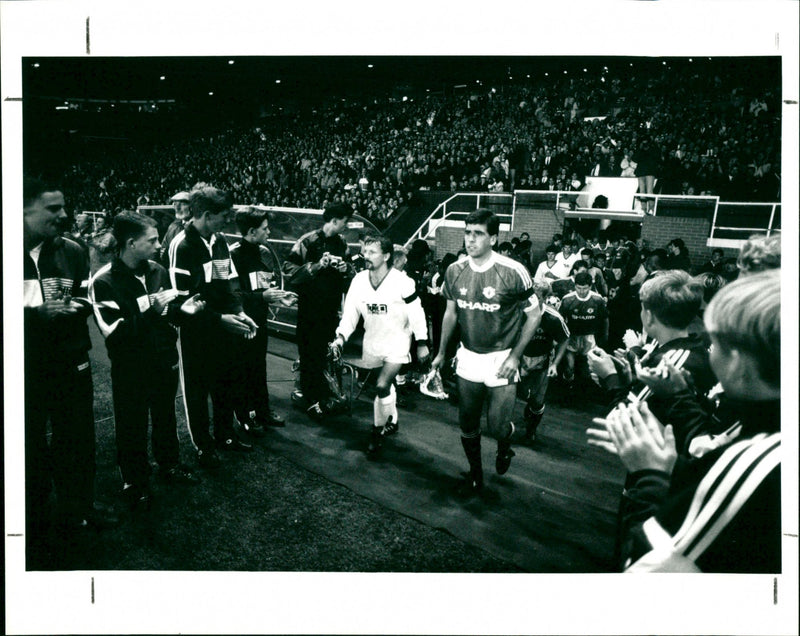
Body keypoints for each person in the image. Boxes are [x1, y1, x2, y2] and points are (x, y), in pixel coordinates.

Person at [588, 270, 780, 572]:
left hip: (661, 491)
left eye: (717, 340)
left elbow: (651, 566)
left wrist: (611, 379)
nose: (709, 348)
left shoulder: (756, 458)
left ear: (739, 359)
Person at [23, 177, 117, 566]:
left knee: (77, 438)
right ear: (23, 210)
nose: (63, 215)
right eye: (53, 209)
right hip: (25, 367)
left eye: (64, 207)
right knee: (28, 445)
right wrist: (33, 315)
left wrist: (77, 306)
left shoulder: (75, 251)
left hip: (70, 361)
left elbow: (81, 295)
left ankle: (80, 507)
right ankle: (33, 518)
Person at [89, 212, 200, 510]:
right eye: (151, 240)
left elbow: (167, 314)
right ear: (131, 243)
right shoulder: (103, 282)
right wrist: (153, 311)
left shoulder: (158, 271)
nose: (157, 245)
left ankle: (169, 465)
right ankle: (134, 481)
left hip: (163, 361)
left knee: (165, 417)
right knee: (132, 425)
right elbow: (116, 335)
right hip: (130, 368)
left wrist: (183, 310)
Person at [431, 209, 542, 495]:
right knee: (467, 422)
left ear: (493, 237)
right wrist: (441, 352)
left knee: (497, 425)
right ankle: (476, 473)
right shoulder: (455, 270)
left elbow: (535, 314)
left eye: (478, 234)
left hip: (501, 358)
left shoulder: (512, 271)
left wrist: (515, 356)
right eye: (468, 233)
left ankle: (504, 447)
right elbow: (450, 312)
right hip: (468, 355)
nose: (470, 240)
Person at [168, 185, 259, 469]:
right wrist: (221, 319)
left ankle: (224, 434)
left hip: (224, 325)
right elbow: (181, 304)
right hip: (195, 331)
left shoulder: (219, 240)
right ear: (206, 215)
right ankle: (203, 445)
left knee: (225, 382)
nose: (228, 220)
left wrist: (240, 312)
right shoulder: (181, 246)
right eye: (224, 215)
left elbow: (228, 283)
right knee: (196, 390)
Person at [329, 235, 430, 456]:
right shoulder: (359, 280)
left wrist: (422, 342)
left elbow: (417, 313)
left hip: (398, 342)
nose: (366, 256)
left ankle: (377, 433)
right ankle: (392, 419)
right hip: (373, 341)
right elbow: (351, 314)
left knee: (382, 384)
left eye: (372, 252)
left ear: (386, 256)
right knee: (384, 386)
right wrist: (340, 337)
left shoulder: (403, 282)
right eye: (365, 251)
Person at [283, 202, 353, 420]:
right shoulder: (307, 241)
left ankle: (324, 397)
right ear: (334, 220)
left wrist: (345, 269)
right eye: (345, 221)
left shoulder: (342, 244)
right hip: (309, 310)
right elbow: (288, 271)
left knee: (327, 355)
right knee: (309, 354)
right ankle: (310, 399)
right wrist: (317, 266)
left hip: (331, 311)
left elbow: (351, 271)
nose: (347, 225)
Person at [229, 208, 295, 436]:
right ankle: (244, 415)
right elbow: (233, 295)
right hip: (241, 324)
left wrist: (277, 297)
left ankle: (262, 410)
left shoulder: (264, 252)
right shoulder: (233, 255)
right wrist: (261, 297)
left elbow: (265, 284)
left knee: (259, 367)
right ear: (251, 231)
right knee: (242, 369)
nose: (269, 232)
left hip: (260, 320)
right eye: (265, 228)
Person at [518, 281, 570, 443]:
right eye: (530, 296)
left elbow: (564, 339)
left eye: (537, 297)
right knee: (518, 394)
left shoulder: (553, 318)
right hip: (518, 359)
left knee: (537, 401)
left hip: (542, 360)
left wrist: (555, 364)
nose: (532, 300)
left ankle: (531, 431)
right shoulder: (518, 312)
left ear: (546, 298)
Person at [559, 271, 608, 389]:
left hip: (589, 337)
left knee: (588, 369)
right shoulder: (567, 300)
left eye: (584, 288)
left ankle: (584, 392)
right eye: (578, 288)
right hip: (572, 337)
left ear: (590, 287)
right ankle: (567, 389)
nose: (581, 291)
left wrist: (605, 334)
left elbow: (605, 319)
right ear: (574, 286)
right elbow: (559, 320)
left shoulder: (597, 300)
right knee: (569, 367)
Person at [160, 191, 192, 267]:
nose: (178, 208)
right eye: (175, 204)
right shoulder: (173, 227)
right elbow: (163, 251)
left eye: (183, 204)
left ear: (192, 207)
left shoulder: (199, 226)